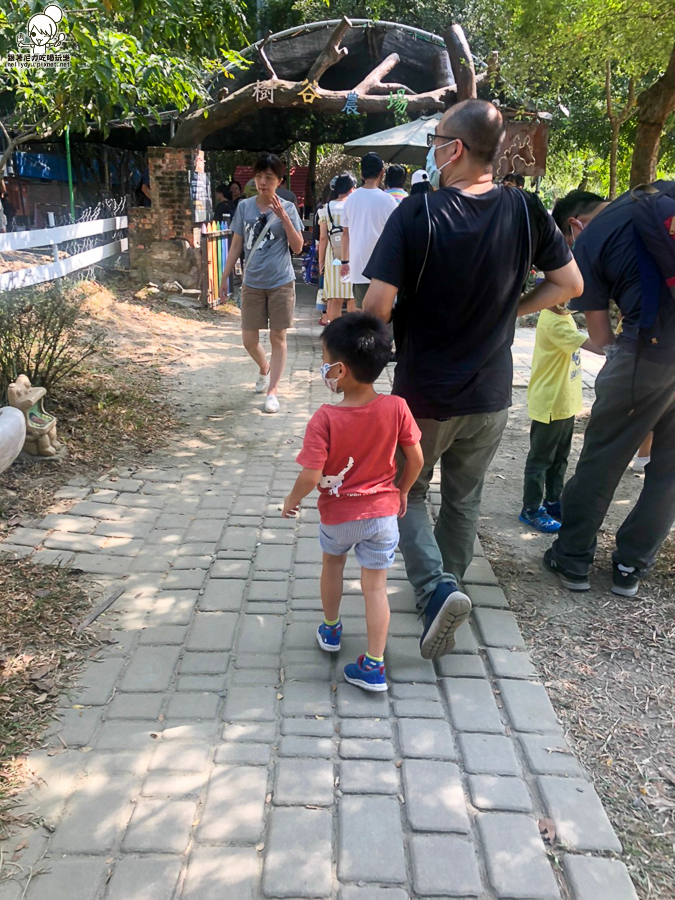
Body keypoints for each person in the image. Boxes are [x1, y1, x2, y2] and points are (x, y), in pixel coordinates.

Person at [363, 99, 582, 658]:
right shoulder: (526, 208)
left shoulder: (418, 213)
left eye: (437, 140)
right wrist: (512, 311)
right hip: (491, 395)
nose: (433, 151)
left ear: (454, 149)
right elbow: (569, 284)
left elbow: (378, 304)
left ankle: (436, 591)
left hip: (425, 397)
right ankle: (448, 592)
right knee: (463, 500)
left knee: (404, 490)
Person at [544, 181, 675, 597]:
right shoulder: (655, 196)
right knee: (670, 472)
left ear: (573, 226)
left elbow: (601, 340)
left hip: (645, 355)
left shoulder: (591, 239)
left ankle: (573, 558)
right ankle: (630, 566)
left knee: (602, 459)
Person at [282, 313, 424, 690]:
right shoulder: (397, 408)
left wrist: (291, 501)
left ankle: (330, 630)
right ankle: (374, 666)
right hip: (382, 516)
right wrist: (403, 491)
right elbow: (418, 459)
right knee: (375, 588)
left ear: (340, 370)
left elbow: (312, 476)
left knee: (332, 565)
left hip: (338, 516)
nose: (323, 369)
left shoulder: (325, 418)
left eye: (325, 362)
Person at [220, 153, 304, 414]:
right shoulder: (244, 207)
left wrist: (285, 218)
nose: (262, 182)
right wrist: (224, 278)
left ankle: (273, 391)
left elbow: (298, 247)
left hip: (281, 281)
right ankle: (264, 368)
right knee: (248, 339)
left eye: (269, 177)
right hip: (252, 282)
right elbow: (236, 244)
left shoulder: (288, 208)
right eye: (259, 176)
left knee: (278, 338)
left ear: (279, 180)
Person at [519, 304, 603, 534]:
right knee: (541, 460)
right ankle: (531, 509)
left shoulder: (563, 315)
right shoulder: (553, 321)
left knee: (560, 457)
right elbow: (595, 345)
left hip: (565, 402)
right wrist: (618, 345)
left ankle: (553, 501)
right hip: (550, 402)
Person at [340, 153, 397, 309]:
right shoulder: (388, 201)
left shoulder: (351, 199)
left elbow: (346, 234)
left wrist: (345, 261)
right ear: (381, 173)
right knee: (383, 316)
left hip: (359, 266)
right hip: (383, 268)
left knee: (361, 313)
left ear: (361, 174)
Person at [318, 172, 357, 323]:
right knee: (352, 297)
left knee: (335, 297)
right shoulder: (354, 206)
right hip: (352, 255)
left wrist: (320, 261)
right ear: (352, 188)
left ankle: (335, 333)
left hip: (332, 257)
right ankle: (352, 335)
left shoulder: (326, 208)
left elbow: (323, 238)